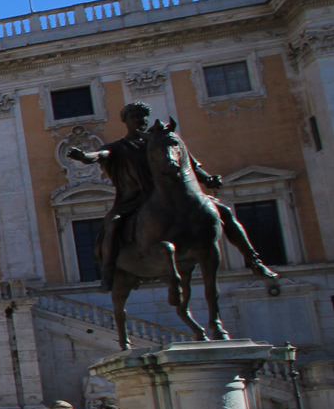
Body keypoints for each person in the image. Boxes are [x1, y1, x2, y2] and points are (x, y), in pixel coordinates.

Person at [67, 102, 279, 291]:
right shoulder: (118, 147)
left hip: (172, 195)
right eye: (134, 117)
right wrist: (85, 157)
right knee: (113, 224)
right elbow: (101, 155)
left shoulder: (163, 140)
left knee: (224, 211)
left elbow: (189, 165)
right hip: (135, 200)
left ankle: (254, 261)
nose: (139, 121)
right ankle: (108, 275)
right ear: (126, 121)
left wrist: (208, 180)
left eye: (142, 117)